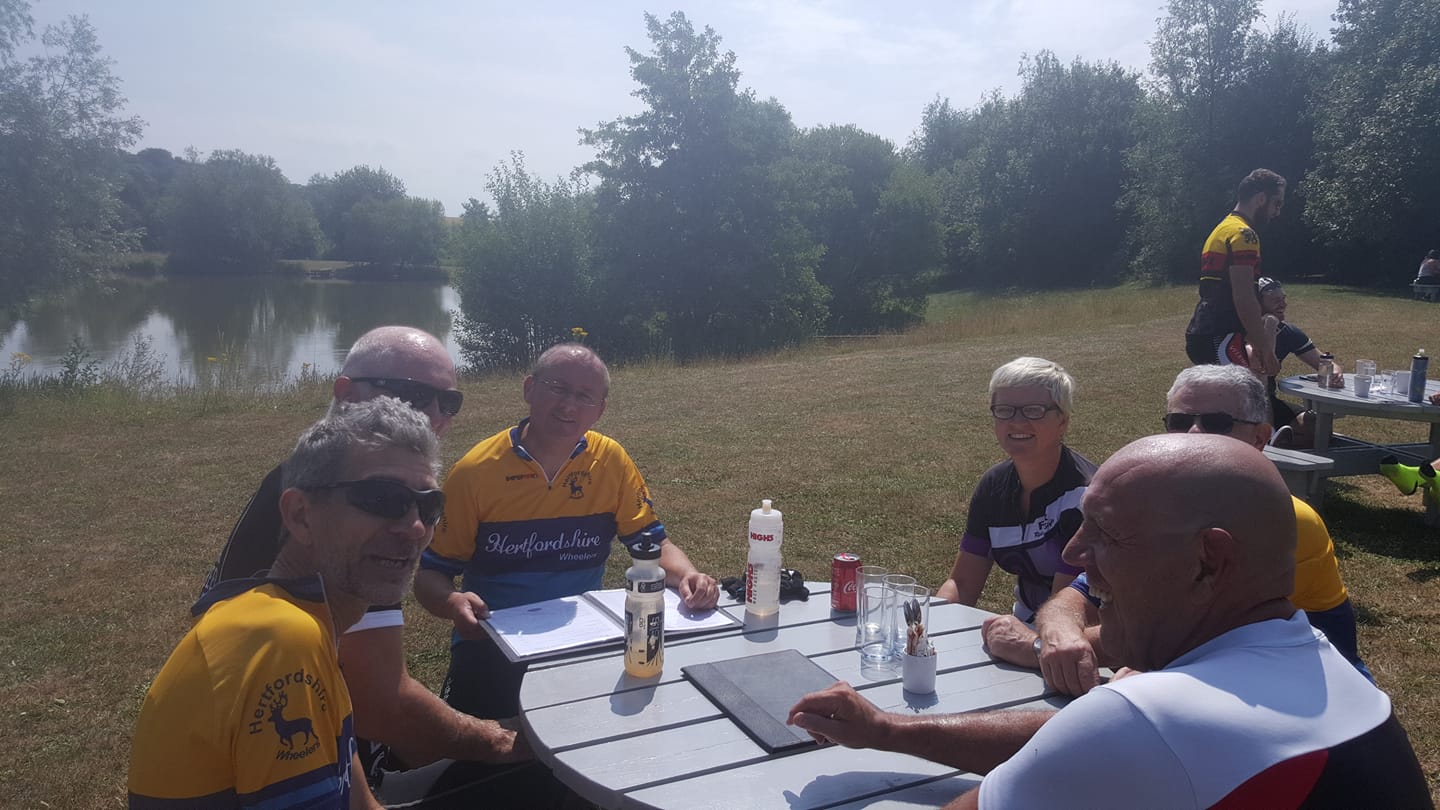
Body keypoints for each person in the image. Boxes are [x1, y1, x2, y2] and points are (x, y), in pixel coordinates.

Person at [787, 434, 1431, 809]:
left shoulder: (1149, 721)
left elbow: (1110, 740)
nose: (1073, 555)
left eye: (1107, 534)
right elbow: (1077, 745)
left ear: (1210, 560)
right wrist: (888, 729)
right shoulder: (1318, 664)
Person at [197, 326, 533, 802]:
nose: (434, 417)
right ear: (346, 393)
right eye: (412, 395)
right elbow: (383, 706)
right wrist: (507, 741)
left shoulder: (310, 481)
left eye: (448, 402)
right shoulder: (340, 523)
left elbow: (344, 696)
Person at [129, 397, 441, 808]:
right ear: (300, 516)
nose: (415, 527)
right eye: (383, 499)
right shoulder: (282, 638)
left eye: (429, 506)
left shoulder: (303, 620)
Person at [414, 342, 720, 721]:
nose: (569, 406)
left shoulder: (610, 461)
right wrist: (452, 603)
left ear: (600, 410)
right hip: (492, 642)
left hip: (584, 637)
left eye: (584, 396)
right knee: (478, 751)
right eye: (557, 388)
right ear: (529, 389)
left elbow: (654, 543)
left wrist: (689, 575)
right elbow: (430, 575)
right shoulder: (475, 472)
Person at [1023, 364, 1371, 695]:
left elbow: (1177, 634)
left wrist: (1030, 647)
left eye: (1217, 423)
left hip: (1318, 693)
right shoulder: (1159, 507)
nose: (1194, 433)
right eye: (1179, 421)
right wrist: (1059, 633)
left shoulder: (1283, 520)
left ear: (1260, 437)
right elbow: (1085, 590)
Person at [936, 357, 1093, 654]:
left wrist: (1024, 643)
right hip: (1024, 628)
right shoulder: (993, 486)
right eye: (1005, 410)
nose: (1017, 422)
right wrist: (928, 626)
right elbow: (962, 583)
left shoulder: (1085, 498)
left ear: (1063, 420)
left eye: (1034, 410)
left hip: (1073, 638)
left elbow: (1066, 608)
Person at [1184, 168, 1286, 375]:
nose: (1277, 212)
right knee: (1245, 393)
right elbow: (1244, 297)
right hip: (1221, 335)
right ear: (1261, 199)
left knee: (1227, 394)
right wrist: (1265, 349)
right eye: (1277, 203)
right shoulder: (1244, 234)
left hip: (1206, 331)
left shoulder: (1223, 228)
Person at [1253, 277, 1333, 446]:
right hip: (1240, 403)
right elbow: (1264, 371)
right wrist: (1269, 327)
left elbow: (1323, 362)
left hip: (1269, 401)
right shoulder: (1240, 333)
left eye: (1283, 299)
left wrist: (1334, 372)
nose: (1283, 304)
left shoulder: (1288, 332)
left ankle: (1276, 444)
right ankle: (1269, 445)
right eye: (1275, 300)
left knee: (1316, 426)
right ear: (1257, 304)